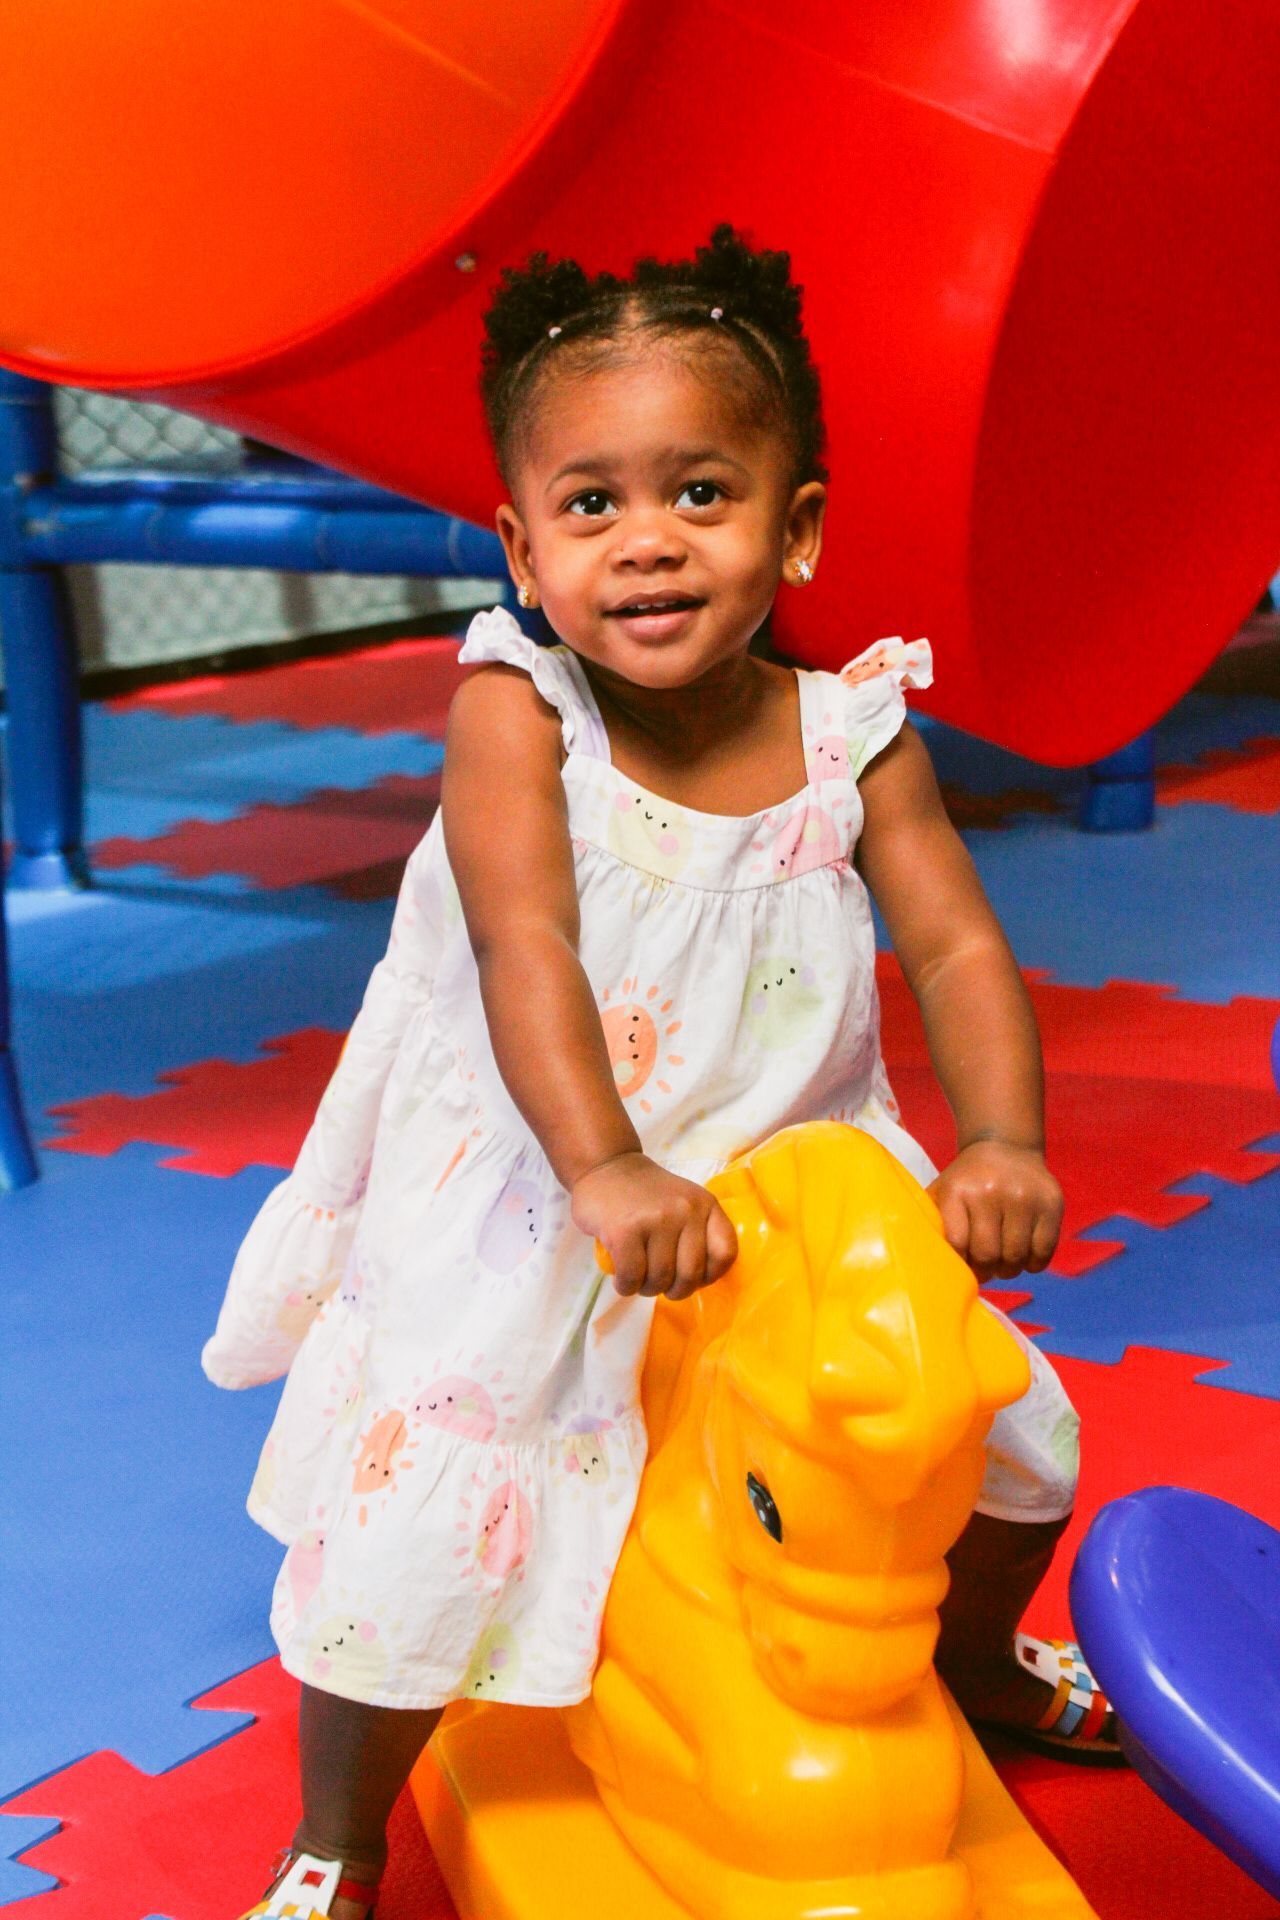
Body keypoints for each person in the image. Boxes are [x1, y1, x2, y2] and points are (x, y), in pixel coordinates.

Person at [206, 225, 1115, 1920]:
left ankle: (976, 1654)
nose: (646, 546)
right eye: (592, 506)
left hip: (796, 1191)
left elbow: (960, 949)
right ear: (522, 546)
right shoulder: (520, 715)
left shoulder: (856, 733)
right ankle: (335, 1832)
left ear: (801, 522)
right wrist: (610, 1169)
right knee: (429, 1536)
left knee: (1012, 1444)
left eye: (701, 492)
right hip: (558, 1187)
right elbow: (523, 949)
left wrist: (1000, 1137)